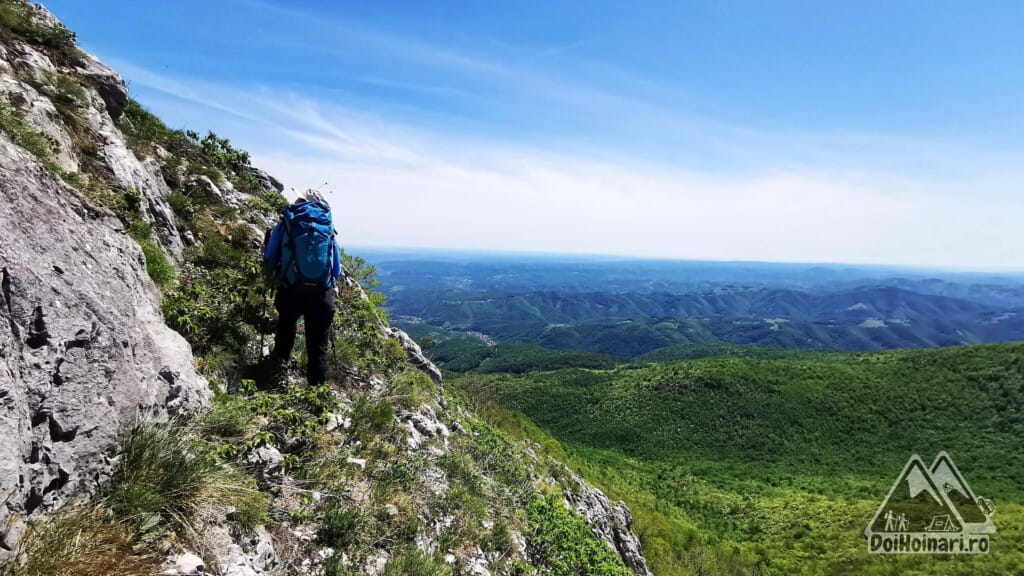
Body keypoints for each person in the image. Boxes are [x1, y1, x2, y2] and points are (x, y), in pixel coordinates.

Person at [261, 191, 342, 385]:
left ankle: (276, 379)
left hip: (291, 290)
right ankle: (317, 395)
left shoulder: (286, 224)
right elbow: (336, 270)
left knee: (285, 333)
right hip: (321, 295)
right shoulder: (327, 227)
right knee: (318, 347)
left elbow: (269, 258)